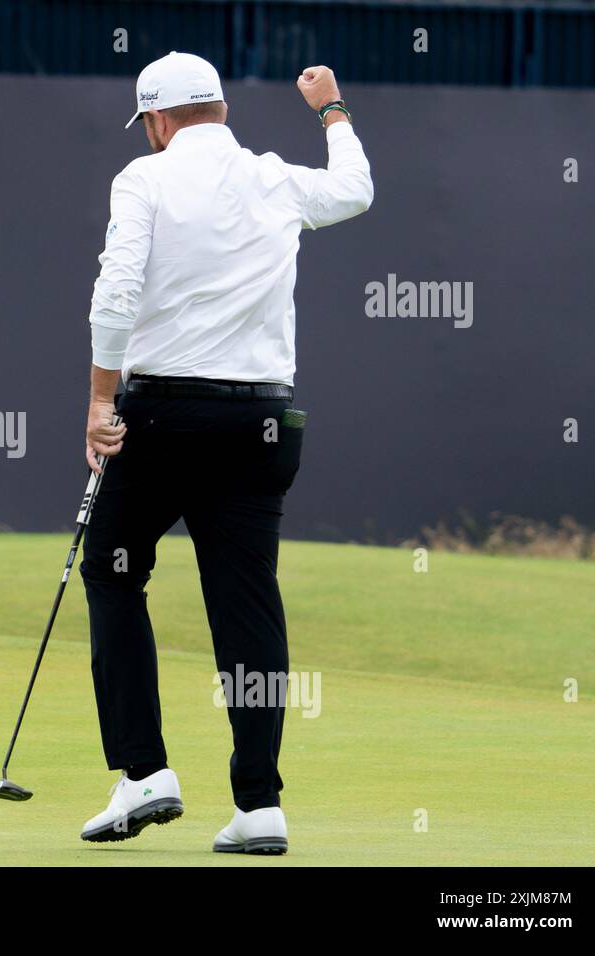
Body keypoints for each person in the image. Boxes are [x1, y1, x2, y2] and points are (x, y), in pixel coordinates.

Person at [77, 52, 373, 853]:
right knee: (247, 605)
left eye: (148, 126)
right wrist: (331, 109)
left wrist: (102, 401)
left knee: (110, 567)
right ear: (222, 113)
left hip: (164, 416)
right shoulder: (273, 178)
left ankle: (143, 773)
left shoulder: (144, 180)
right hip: (261, 426)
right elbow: (355, 190)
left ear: (159, 121)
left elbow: (115, 292)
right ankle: (260, 804)